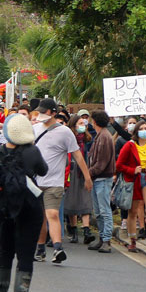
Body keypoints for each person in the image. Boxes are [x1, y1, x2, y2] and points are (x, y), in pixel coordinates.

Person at [0, 114, 48, 292]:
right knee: (25, 254)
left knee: (4, 250)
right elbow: (43, 170)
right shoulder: (32, 151)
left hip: (2, 208)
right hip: (28, 207)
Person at [32, 99, 92, 263]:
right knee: (40, 217)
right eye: (39, 112)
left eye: (44, 112)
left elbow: (77, 155)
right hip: (36, 182)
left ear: (52, 112)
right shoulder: (35, 129)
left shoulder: (65, 132)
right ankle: (40, 248)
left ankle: (58, 249)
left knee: (52, 213)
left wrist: (87, 177)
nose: (41, 115)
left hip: (54, 182)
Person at [116, 120, 146, 252]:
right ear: (136, 131)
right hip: (133, 180)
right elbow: (119, 165)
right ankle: (132, 240)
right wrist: (132, 170)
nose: (144, 131)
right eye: (141, 128)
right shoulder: (129, 146)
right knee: (133, 211)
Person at [86, 110, 115, 253]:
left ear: (95, 121)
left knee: (104, 211)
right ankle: (102, 237)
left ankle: (107, 240)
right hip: (98, 178)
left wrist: (88, 173)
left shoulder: (104, 137)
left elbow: (100, 163)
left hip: (102, 178)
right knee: (98, 211)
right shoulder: (100, 136)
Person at [63, 114, 94, 245]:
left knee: (85, 198)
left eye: (84, 124)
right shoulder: (68, 138)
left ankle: (87, 230)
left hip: (84, 171)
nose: (83, 126)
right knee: (71, 199)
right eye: (80, 123)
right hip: (72, 170)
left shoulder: (87, 139)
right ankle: (74, 230)